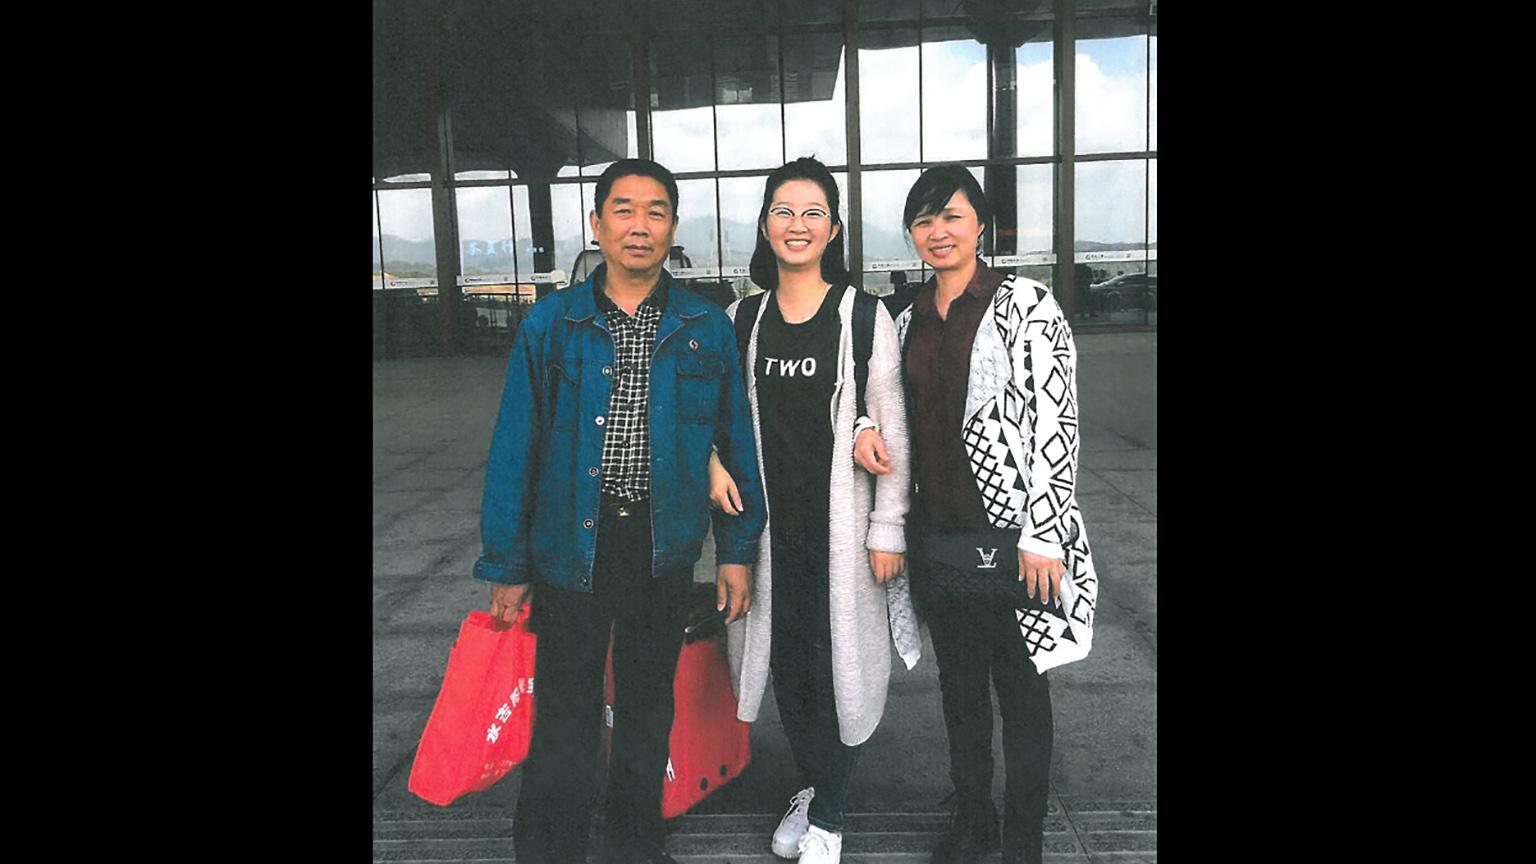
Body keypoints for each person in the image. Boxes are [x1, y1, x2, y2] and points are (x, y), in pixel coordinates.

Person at [473, 158, 767, 864]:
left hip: (661, 546)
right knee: (566, 714)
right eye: (625, 210)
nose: (641, 226)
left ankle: (637, 845)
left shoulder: (703, 327)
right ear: (597, 222)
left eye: (657, 211)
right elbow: (517, 446)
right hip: (571, 545)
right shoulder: (552, 324)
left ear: (673, 225)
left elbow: (734, 439)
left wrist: (735, 550)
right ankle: (551, 849)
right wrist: (508, 564)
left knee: (646, 707)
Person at [706, 156, 920, 864]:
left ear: (834, 229)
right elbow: (717, 419)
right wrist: (710, 460)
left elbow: (893, 434)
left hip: (843, 539)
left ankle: (830, 810)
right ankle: (813, 784)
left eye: (813, 213)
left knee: (840, 671)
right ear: (765, 227)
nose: (797, 225)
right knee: (789, 671)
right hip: (770, 537)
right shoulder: (742, 320)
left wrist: (888, 528)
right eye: (783, 211)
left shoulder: (863, 316)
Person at [894, 165, 1099, 864]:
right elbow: (895, 416)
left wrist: (1044, 534)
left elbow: (1057, 426)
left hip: (1017, 540)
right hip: (942, 539)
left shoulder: (1026, 305)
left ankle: (1023, 839)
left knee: (1021, 690)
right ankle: (974, 822)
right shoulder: (905, 319)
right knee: (960, 693)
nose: (938, 231)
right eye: (924, 221)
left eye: (951, 216)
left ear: (981, 224)